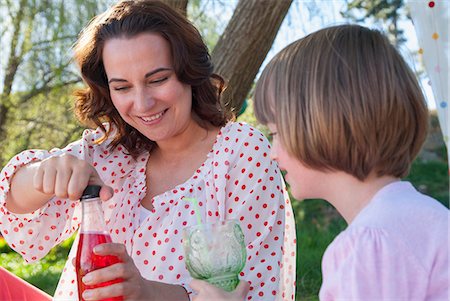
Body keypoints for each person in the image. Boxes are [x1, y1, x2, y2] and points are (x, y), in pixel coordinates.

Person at [0, 1, 297, 300]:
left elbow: (251, 292)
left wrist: (145, 292)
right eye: (122, 87)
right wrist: (42, 174)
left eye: (157, 80)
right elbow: (13, 208)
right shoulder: (113, 150)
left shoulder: (240, 152)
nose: (142, 105)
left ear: (189, 72)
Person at [194, 24, 450, 300]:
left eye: (277, 133)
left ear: (323, 126)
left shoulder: (369, 247)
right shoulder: (427, 219)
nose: (272, 153)